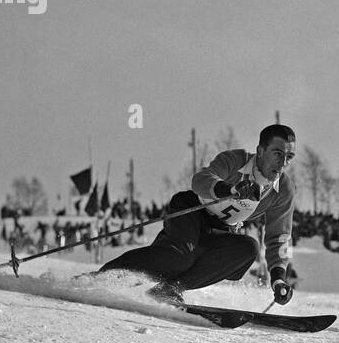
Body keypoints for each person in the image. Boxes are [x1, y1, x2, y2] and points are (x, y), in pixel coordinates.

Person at [98, 124, 297, 308]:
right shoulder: (236, 160)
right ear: (261, 151)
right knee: (178, 258)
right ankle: (104, 276)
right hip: (191, 211)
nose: (283, 163)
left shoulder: (284, 190)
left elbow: (279, 236)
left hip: (221, 228)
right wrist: (229, 188)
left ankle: (170, 289)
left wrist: (279, 277)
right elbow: (201, 179)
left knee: (248, 249)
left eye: (289, 157)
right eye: (277, 154)